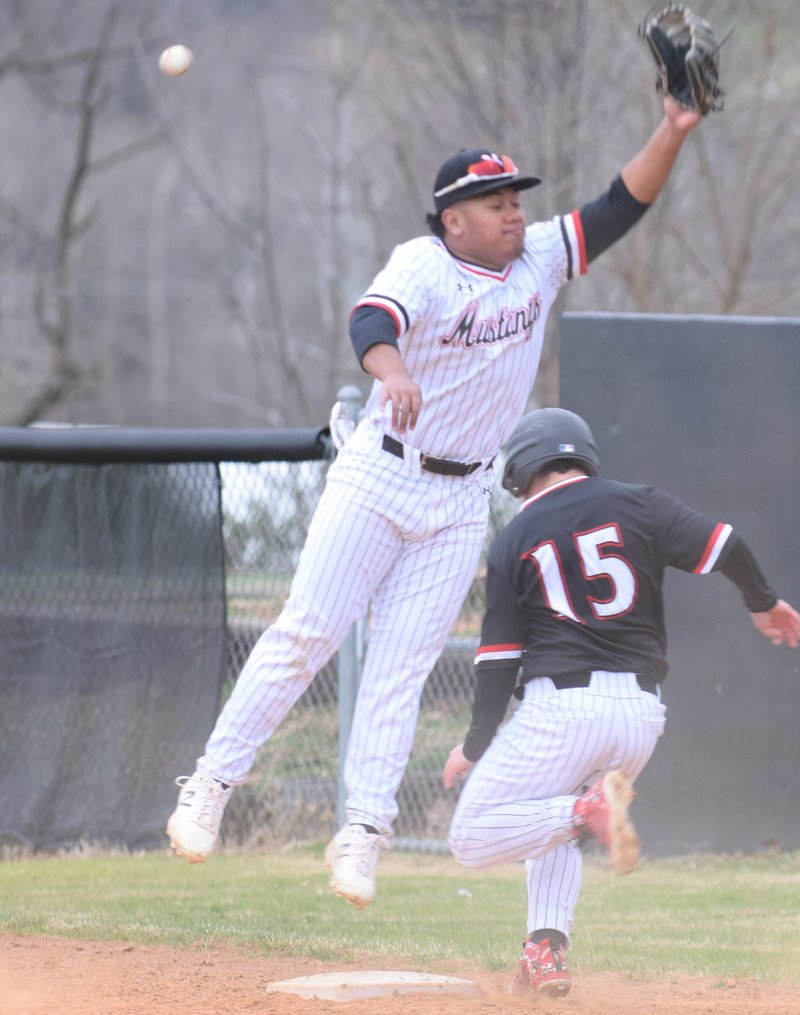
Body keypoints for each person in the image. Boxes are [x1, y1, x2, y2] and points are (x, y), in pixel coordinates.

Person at [167, 96, 705, 909]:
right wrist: (391, 371)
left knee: (401, 669)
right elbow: (371, 318)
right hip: (382, 470)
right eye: (497, 203)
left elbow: (621, 204)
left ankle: (364, 832)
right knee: (306, 632)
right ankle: (211, 782)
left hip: (460, 498)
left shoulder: (540, 260)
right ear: (455, 219)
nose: (515, 213)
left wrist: (672, 130)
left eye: (517, 199)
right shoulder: (424, 262)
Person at [444, 407, 800, 997]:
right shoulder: (638, 502)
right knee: (552, 818)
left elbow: (498, 660)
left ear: (521, 472)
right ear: (582, 455)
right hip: (640, 714)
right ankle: (545, 951)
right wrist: (763, 601)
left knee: (471, 836)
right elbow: (725, 544)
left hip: (563, 709)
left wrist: (475, 744)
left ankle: (589, 814)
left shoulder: (515, 539)